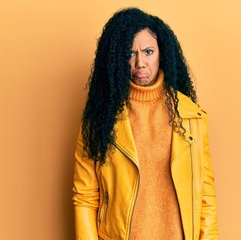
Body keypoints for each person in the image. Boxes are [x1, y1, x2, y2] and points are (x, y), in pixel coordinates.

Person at [72, 7, 218, 240]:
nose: (140, 62)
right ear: (117, 60)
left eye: (148, 52)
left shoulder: (192, 117)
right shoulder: (100, 118)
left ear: (162, 53)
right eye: (130, 54)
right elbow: (85, 197)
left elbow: (205, 196)